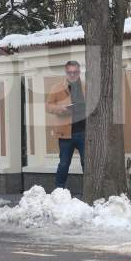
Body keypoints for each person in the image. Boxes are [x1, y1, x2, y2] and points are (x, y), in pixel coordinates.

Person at [46, 60, 86, 189]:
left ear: (79, 72)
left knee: (87, 163)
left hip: (84, 132)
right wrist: (61, 109)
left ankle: (89, 191)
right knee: (63, 164)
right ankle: (58, 191)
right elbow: (48, 106)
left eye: (75, 72)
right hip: (65, 133)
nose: (73, 75)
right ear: (66, 72)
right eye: (70, 72)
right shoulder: (57, 87)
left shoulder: (86, 86)